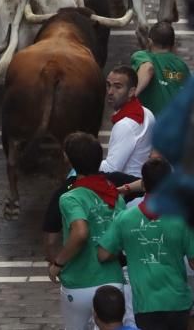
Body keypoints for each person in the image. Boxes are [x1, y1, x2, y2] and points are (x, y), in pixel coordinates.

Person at [97, 158, 194, 330]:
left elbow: (102, 254)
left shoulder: (124, 219)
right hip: (178, 304)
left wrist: (127, 246)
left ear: (144, 185)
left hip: (145, 306)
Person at [50, 133, 125, 330]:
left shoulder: (70, 198)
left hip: (79, 283)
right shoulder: (114, 195)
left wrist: (58, 263)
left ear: (69, 160)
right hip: (113, 283)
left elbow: (80, 232)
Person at [101, 66, 155, 178]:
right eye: (108, 85)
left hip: (127, 187)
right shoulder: (147, 113)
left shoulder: (125, 125)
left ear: (131, 92)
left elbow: (111, 169)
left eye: (117, 87)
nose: (110, 92)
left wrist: (83, 162)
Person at [131, 22, 190, 117]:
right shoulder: (182, 65)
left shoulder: (142, 56)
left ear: (150, 42)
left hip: (152, 125)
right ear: (173, 44)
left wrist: (131, 97)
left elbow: (148, 69)